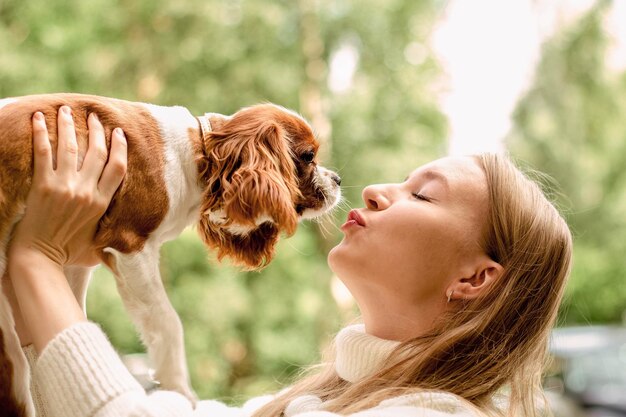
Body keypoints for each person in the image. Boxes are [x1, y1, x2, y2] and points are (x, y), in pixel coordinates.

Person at [5, 107, 572, 417]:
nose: (374, 189)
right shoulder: (319, 402)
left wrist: (37, 258)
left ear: (474, 277)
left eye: (423, 195)